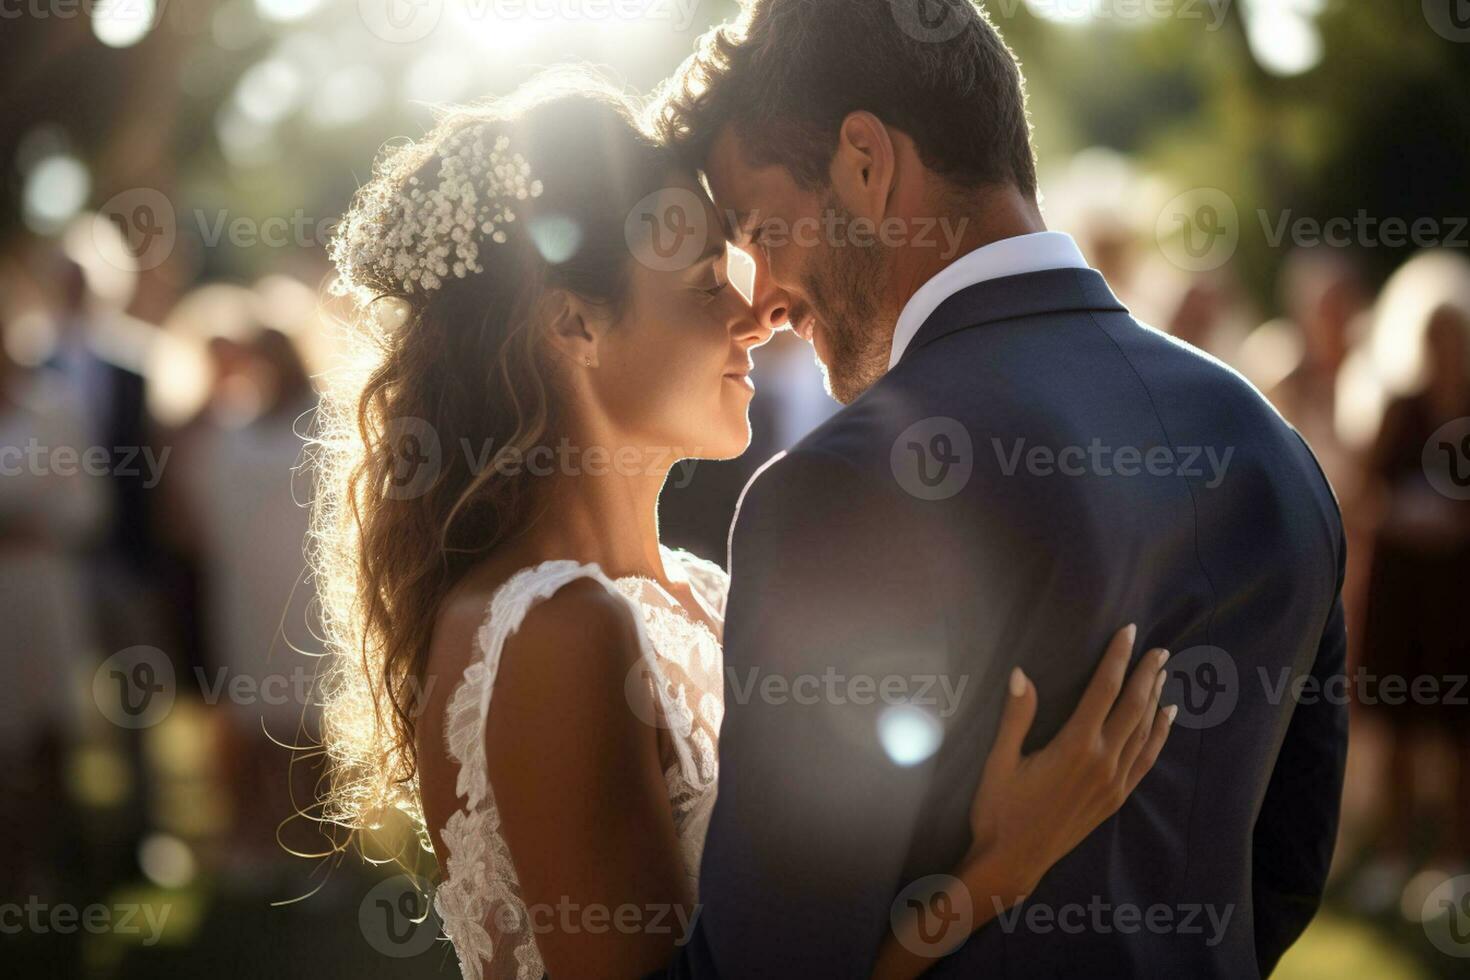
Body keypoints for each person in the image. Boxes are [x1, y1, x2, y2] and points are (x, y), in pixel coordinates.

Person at [316, 70, 1174, 980]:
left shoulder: (704, 592)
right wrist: (1001, 868)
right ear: (574, 324)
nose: (754, 317)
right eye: (700, 287)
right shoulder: (557, 632)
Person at [649, 0, 1345, 976]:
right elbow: (1283, 877)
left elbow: (769, 966)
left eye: (762, 226)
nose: (760, 292)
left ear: (864, 161)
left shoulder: (839, 490)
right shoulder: (1270, 446)